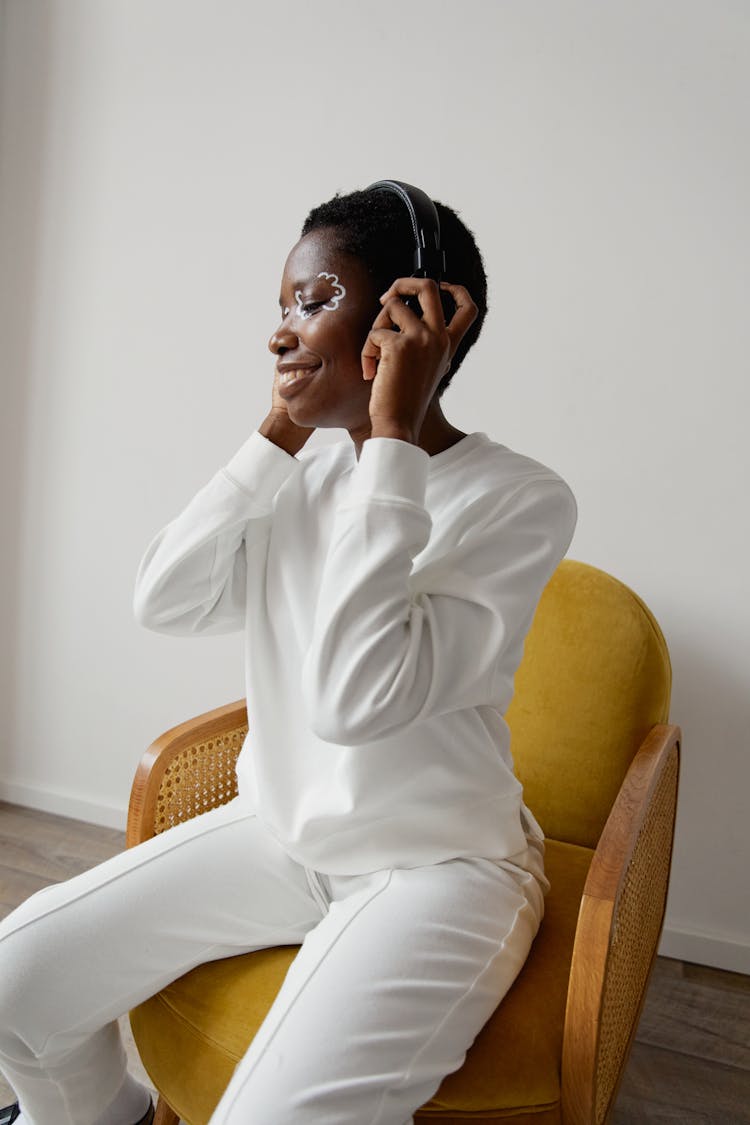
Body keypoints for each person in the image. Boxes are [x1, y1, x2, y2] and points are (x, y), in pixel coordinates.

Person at [0, 183, 577, 1125]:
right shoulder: (300, 475)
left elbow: (357, 698)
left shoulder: (519, 498)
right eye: (283, 305)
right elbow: (165, 597)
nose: (280, 333)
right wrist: (276, 435)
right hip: (284, 834)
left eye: (314, 302)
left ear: (412, 318)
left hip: (436, 869)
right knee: (15, 984)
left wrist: (392, 438)